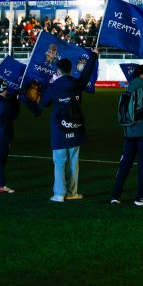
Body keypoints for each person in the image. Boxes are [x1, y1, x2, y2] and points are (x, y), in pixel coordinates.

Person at [41, 51, 100, 202]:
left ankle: (59, 194)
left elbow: (43, 103)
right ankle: (72, 192)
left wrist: (50, 84)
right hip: (76, 125)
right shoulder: (77, 83)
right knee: (73, 162)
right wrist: (93, 55)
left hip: (59, 128)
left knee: (59, 162)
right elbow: (87, 71)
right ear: (70, 70)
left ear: (58, 71)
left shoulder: (53, 87)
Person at [110, 63, 143, 206]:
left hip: (128, 131)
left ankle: (115, 195)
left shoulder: (130, 86)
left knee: (124, 165)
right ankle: (141, 197)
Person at [0, 77, 20, 193]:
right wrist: (16, 100)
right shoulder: (4, 102)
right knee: (1, 160)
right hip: (4, 133)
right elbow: (13, 114)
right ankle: (1, 185)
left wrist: (12, 98)